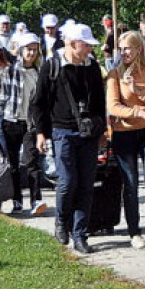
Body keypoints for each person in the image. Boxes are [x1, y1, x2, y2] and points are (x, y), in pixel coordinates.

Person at [29, 23, 106, 255]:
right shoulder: (53, 65)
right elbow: (39, 103)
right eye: (86, 45)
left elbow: (99, 102)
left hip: (89, 132)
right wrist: (41, 133)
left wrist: (102, 131)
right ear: (72, 44)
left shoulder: (92, 66)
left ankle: (80, 234)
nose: (90, 50)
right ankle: (61, 221)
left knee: (86, 184)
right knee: (67, 181)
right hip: (62, 130)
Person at [107, 30, 145, 248]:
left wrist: (140, 93)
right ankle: (134, 230)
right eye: (120, 49)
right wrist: (140, 112)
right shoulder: (115, 74)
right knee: (130, 182)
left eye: (127, 49)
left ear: (138, 49)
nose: (123, 53)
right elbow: (113, 107)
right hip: (124, 132)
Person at [0, 33, 48, 215]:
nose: (31, 53)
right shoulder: (10, 71)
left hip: (30, 123)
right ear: (21, 51)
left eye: (34, 50)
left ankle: (35, 200)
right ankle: (17, 199)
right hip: (11, 121)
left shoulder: (39, 73)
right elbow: (1, 99)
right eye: (28, 50)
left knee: (32, 163)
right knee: (13, 163)